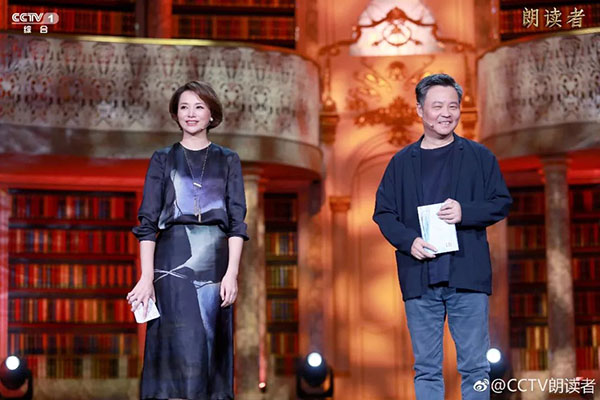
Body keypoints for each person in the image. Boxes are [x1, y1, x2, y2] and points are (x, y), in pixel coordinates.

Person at [373, 73, 511, 400]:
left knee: (476, 367)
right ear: (420, 110)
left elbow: (501, 202)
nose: (446, 113)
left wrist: (466, 212)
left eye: (453, 106)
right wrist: (409, 241)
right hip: (420, 277)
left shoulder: (480, 157)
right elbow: (384, 213)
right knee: (426, 368)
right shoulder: (401, 162)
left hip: (467, 276)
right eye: (437, 106)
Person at [128, 80, 248, 400]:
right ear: (176, 114)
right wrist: (146, 277)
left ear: (212, 115)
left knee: (209, 343)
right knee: (175, 345)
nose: (191, 113)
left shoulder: (228, 160)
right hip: (171, 258)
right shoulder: (162, 158)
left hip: (216, 261)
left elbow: (237, 223)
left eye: (198, 107)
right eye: (184, 107)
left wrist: (232, 273)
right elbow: (147, 224)